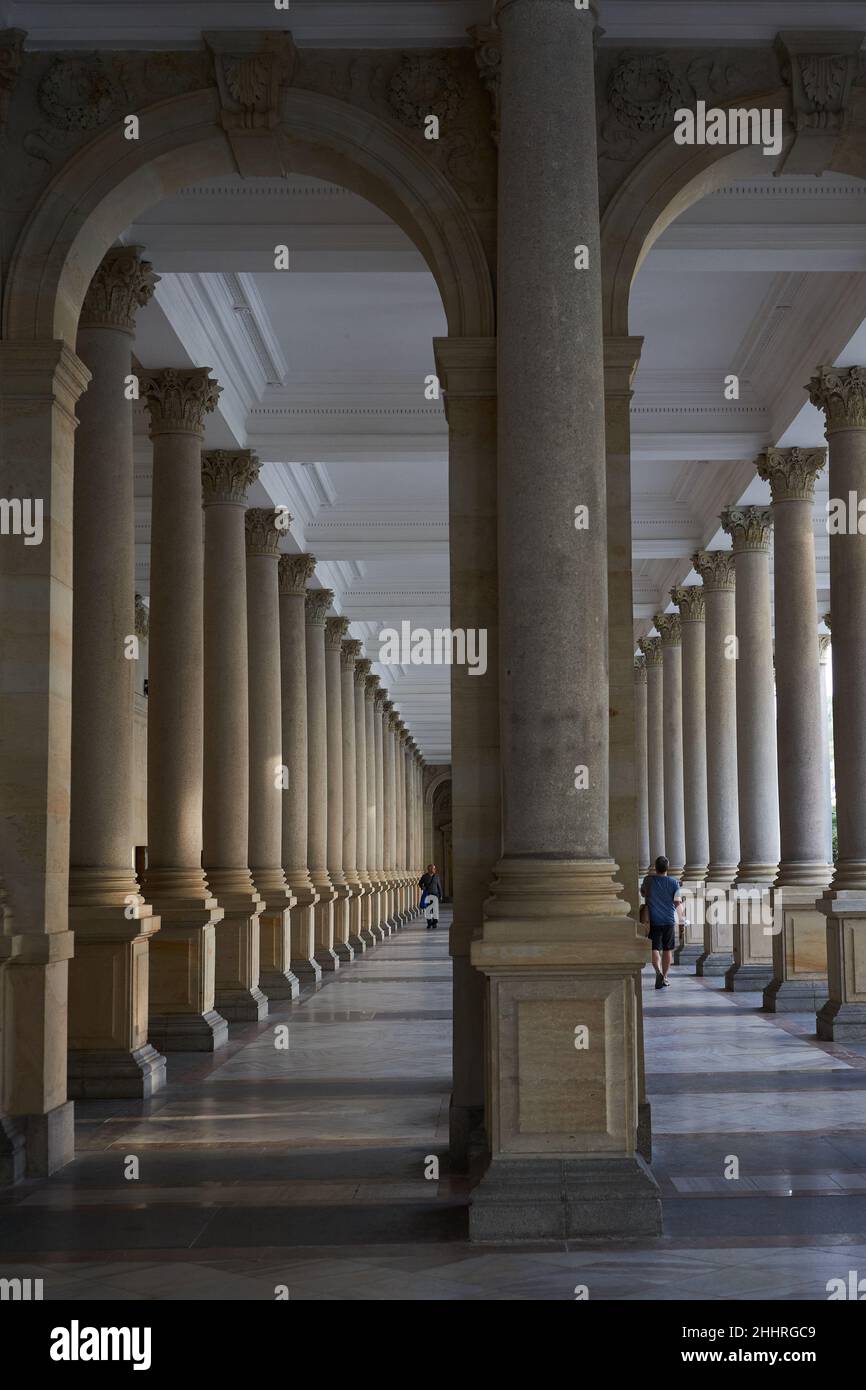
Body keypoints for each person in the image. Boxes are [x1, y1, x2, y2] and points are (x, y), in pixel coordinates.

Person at [640, 855, 683, 989]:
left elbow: (643, 893)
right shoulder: (674, 883)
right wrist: (681, 920)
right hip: (669, 920)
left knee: (654, 948)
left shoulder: (648, 881)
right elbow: (677, 903)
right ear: (667, 868)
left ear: (655, 867)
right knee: (667, 949)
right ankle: (664, 977)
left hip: (653, 920)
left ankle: (658, 972)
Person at [418, 863, 443, 929]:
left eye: (434, 868)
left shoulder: (436, 876)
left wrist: (441, 895)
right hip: (428, 895)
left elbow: (439, 886)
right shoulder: (424, 876)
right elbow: (420, 883)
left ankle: (434, 923)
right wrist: (422, 887)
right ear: (429, 869)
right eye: (433, 868)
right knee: (428, 910)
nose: (435, 869)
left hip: (435, 895)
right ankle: (429, 923)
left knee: (435, 910)